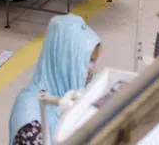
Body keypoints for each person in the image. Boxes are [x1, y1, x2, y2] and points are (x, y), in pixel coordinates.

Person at [9, 15, 101, 145]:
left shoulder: (86, 86)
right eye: (89, 61)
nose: (94, 70)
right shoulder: (30, 118)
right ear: (66, 61)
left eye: (94, 62)